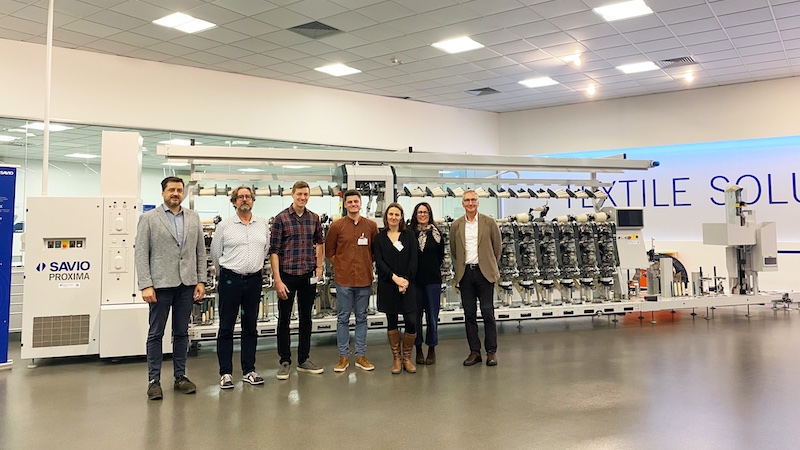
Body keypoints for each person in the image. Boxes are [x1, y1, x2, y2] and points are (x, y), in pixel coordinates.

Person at [135, 176, 207, 400]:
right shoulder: (148, 218)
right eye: (171, 190)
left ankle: (180, 376)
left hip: (186, 284)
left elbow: (200, 252)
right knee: (156, 333)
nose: (175, 193)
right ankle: (153, 380)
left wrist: (201, 280)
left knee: (181, 333)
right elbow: (140, 253)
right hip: (160, 285)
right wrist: (146, 284)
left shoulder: (193, 218)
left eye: (179, 190)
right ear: (163, 193)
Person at [211, 186, 269, 389]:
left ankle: (249, 370)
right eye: (240, 197)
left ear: (253, 200)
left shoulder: (262, 224)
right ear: (234, 201)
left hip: (254, 280)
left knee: (250, 326)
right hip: (230, 280)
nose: (244, 199)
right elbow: (216, 255)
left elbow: (266, 249)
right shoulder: (224, 226)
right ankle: (226, 373)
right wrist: (226, 275)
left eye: (248, 196)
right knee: (226, 326)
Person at [269, 181, 325, 380]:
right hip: (287, 276)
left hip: (307, 275)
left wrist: (319, 266)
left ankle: (303, 359)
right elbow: (274, 251)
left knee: (306, 318)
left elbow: (320, 243)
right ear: (292, 195)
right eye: (299, 194)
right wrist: (277, 279)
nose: (303, 197)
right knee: (284, 319)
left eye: (306, 194)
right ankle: (285, 360)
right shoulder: (281, 219)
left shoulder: (314, 218)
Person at [325, 189, 379, 372]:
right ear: (345, 205)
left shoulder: (371, 226)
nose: (353, 204)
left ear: (360, 203)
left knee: (362, 318)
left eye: (356, 201)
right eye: (350, 202)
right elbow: (329, 252)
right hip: (344, 281)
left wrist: (364, 264)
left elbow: (375, 252)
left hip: (364, 279)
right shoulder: (336, 226)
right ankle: (343, 357)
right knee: (343, 318)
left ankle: (361, 356)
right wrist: (341, 265)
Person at [449, 189, 502, 367]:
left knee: (488, 313)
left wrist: (488, 265)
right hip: (466, 274)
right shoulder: (456, 225)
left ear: (478, 202)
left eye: (473, 200)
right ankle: (474, 352)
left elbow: (497, 248)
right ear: (462, 203)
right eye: (467, 200)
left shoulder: (489, 223)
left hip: (484, 274)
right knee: (469, 314)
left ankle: (491, 352)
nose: (470, 203)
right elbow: (455, 251)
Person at [373, 203, 418, 374]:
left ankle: (407, 357)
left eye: (397, 214)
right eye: (390, 214)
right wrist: (395, 279)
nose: (393, 217)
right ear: (386, 217)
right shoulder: (379, 238)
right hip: (388, 285)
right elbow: (380, 262)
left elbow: (414, 260)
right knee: (391, 321)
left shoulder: (409, 236)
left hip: (407, 285)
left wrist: (405, 281)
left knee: (411, 321)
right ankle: (397, 359)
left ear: (401, 217)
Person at [409, 202, 445, 366]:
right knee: (415, 317)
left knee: (432, 316)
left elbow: (440, 256)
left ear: (429, 214)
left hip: (433, 280)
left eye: (425, 212)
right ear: (415, 215)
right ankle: (418, 349)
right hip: (415, 281)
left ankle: (431, 348)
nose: (422, 215)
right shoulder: (409, 233)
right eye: (419, 212)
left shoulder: (437, 234)